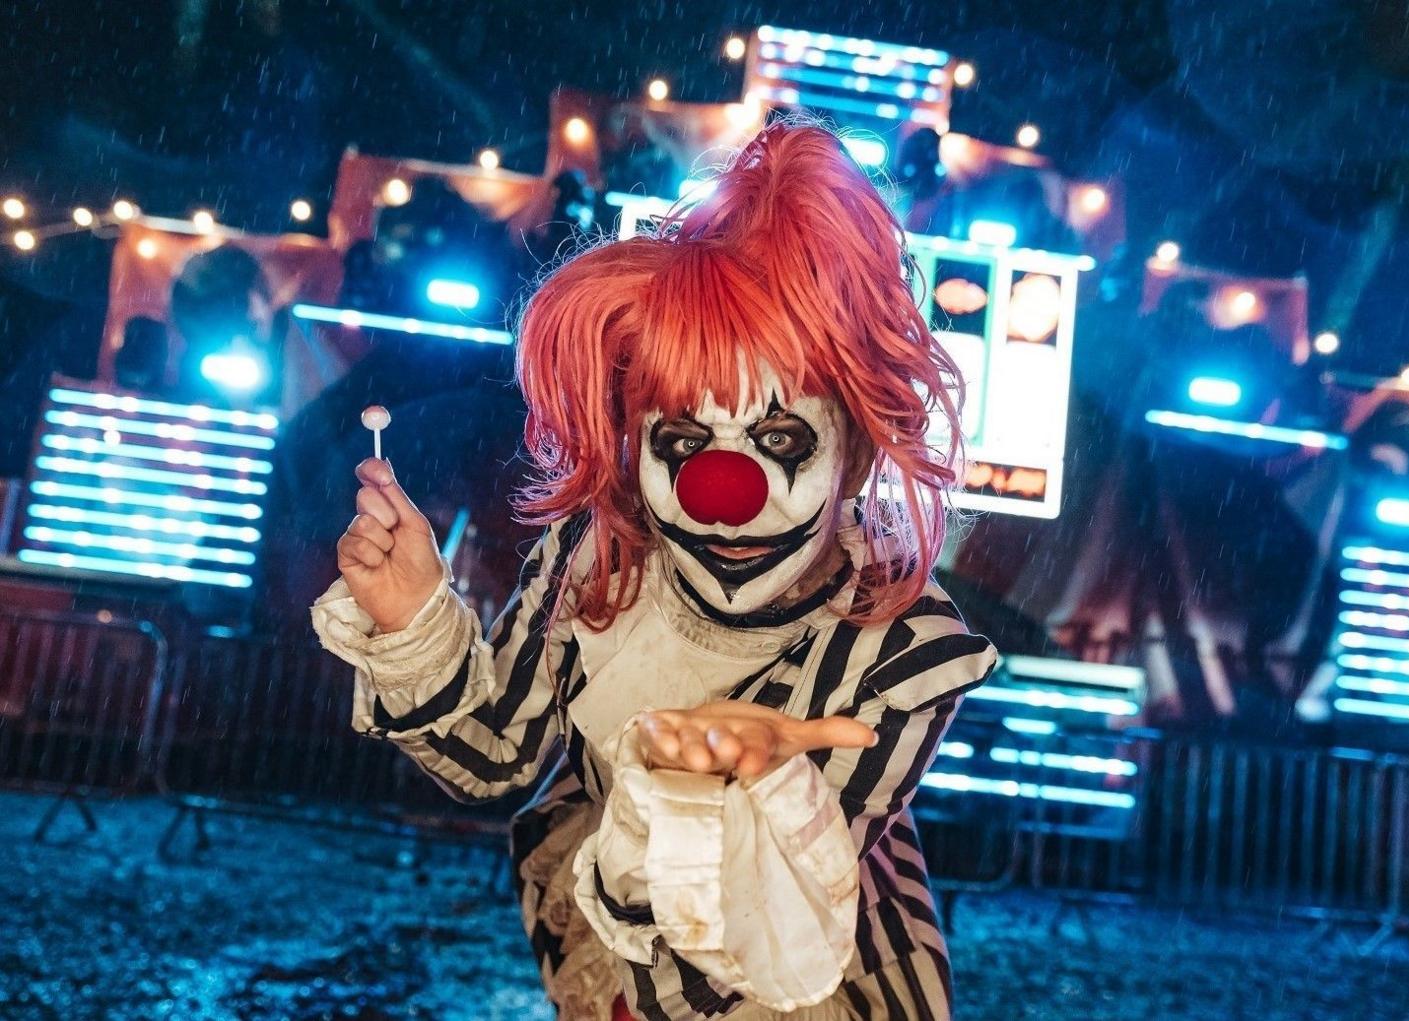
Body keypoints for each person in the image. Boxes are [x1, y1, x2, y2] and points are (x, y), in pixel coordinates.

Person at [311, 123, 997, 1020]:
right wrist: (413, 624)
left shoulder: (905, 647)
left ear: (858, 451)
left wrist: (726, 795)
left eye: (780, 439)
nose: (722, 492)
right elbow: (495, 757)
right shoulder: (597, 558)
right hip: (612, 978)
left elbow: (765, 932)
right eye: (680, 441)